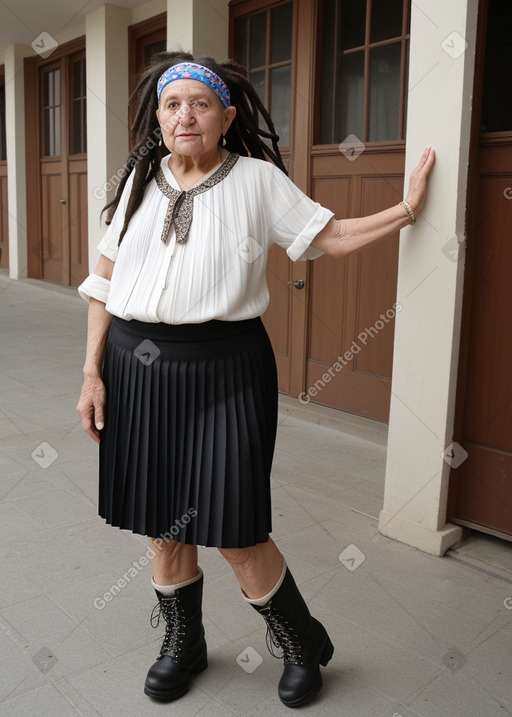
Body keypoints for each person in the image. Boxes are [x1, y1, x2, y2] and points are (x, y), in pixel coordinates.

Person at [77, 51, 435, 708]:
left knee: (238, 529)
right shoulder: (137, 183)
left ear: (226, 116)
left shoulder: (257, 180)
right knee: (163, 523)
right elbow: (103, 283)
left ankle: (303, 643)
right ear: (158, 117)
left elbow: (329, 237)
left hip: (225, 367)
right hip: (135, 365)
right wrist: (92, 372)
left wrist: (406, 211)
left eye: (200, 103)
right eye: (172, 103)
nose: (185, 114)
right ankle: (183, 642)